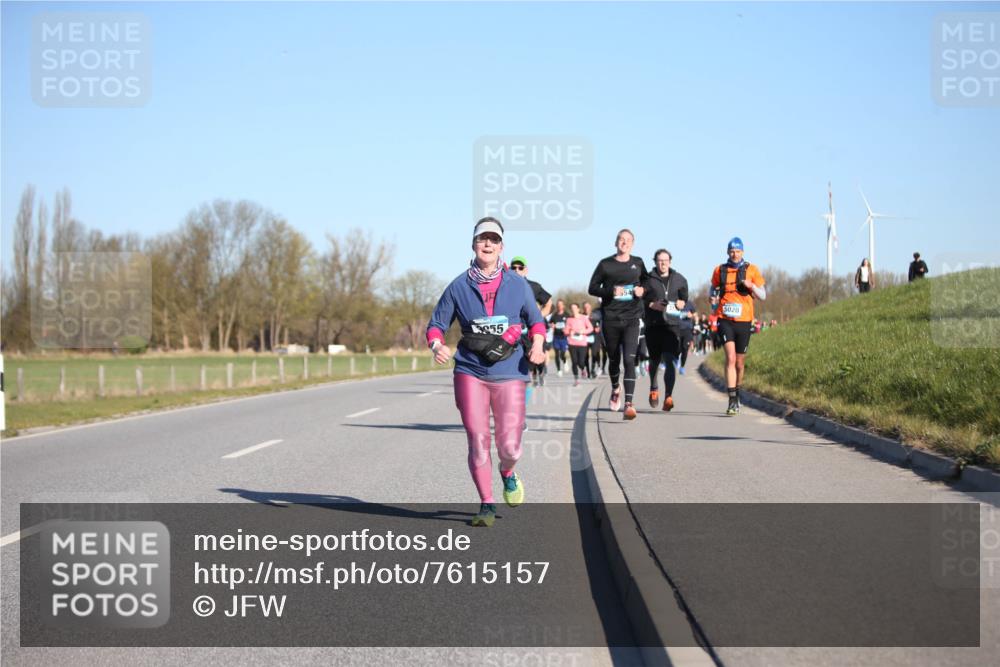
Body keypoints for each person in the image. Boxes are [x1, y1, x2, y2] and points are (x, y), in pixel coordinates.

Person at [427, 217, 547, 527]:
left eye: (494, 239)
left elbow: (536, 321)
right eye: (483, 239)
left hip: (510, 371)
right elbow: (436, 325)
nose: (488, 244)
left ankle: (507, 471)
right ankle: (486, 504)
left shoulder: (517, 284)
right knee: (478, 439)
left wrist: (537, 344)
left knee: (510, 447)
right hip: (470, 371)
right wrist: (437, 345)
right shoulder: (458, 286)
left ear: (501, 246)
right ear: (473, 245)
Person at [588, 229, 648, 420]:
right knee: (614, 360)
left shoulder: (638, 263)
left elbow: (647, 282)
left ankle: (629, 404)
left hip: (632, 319)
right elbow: (592, 288)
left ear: (633, 244)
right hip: (611, 318)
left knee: (629, 360)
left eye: (628, 240)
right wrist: (611, 291)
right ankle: (615, 388)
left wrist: (642, 290)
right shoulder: (605, 264)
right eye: (621, 239)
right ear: (616, 243)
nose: (624, 243)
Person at [711, 237, 766, 416]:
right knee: (731, 358)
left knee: (740, 363)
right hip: (724, 319)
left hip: (744, 320)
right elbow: (713, 288)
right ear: (728, 252)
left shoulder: (752, 269)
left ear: (743, 252)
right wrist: (713, 299)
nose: (735, 254)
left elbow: (763, 295)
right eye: (732, 251)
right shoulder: (719, 270)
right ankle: (732, 399)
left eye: (738, 251)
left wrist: (752, 286)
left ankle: (738, 390)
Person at [642, 249, 688, 411]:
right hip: (653, 325)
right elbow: (640, 299)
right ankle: (654, 387)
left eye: (665, 260)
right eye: (660, 260)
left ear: (670, 261)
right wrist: (651, 304)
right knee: (654, 360)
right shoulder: (647, 279)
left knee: (670, 360)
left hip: (672, 326)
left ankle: (668, 396)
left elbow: (684, 298)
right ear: (655, 262)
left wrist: (682, 303)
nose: (663, 263)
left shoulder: (680, 279)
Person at [509, 256, 551, 388]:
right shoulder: (504, 286)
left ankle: (541, 372)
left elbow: (549, 303)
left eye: (520, 268)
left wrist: (538, 316)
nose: (517, 270)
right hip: (513, 331)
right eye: (513, 268)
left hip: (530, 331)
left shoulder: (534, 286)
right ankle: (523, 383)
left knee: (534, 358)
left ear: (525, 270)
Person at [564, 303, 594, 387]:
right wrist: (569, 332)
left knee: (581, 362)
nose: (573, 310)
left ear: (578, 309)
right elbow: (565, 331)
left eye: (575, 308)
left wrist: (582, 331)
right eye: (572, 308)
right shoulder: (569, 319)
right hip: (572, 343)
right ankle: (576, 379)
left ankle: (583, 369)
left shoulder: (584, 318)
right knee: (574, 362)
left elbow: (590, 328)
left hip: (582, 343)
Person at [549, 300, 569, 377]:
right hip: (556, 337)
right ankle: (559, 370)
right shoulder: (554, 316)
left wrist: (567, 329)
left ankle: (565, 361)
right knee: (557, 354)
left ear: (563, 306)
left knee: (562, 354)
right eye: (558, 305)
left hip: (564, 337)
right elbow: (550, 323)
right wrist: (552, 325)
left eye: (561, 304)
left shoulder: (567, 315)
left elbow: (570, 324)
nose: (559, 306)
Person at [585, 301, 604, 377]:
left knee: (594, 354)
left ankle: (593, 369)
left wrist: (598, 328)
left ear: (590, 308)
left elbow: (599, 324)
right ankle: (588, 371)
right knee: (585, 356)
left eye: (588, 307)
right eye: (585, 307)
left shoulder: (595, 316)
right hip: (585, 338)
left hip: (595, 337)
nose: (586, 309)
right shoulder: (582, 316)